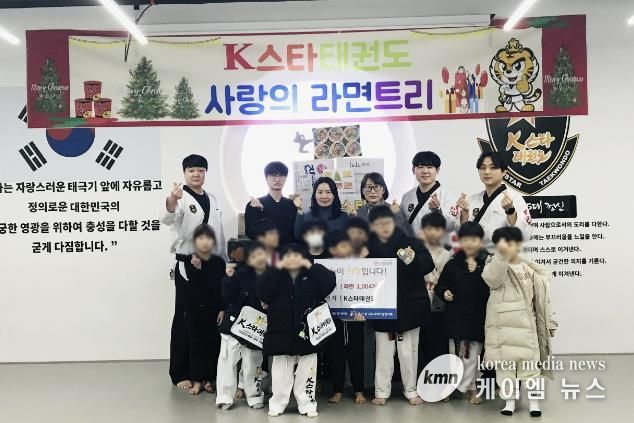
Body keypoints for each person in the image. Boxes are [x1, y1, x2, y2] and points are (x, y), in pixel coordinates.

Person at [482, 226, 556, 417]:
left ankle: (534, 403)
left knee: (530, 367)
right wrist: (501, 257)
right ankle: (509, 402)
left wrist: (549, 322)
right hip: (503, 328)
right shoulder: (494, 264)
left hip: (527, 327)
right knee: (505, 368)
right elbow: (492, 280)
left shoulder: (528, 268)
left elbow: (542, 299)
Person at [256, 243, 336, 417]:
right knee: (280, 372)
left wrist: (310, 265)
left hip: (307, 332)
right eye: (288, 256)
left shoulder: (312, 274)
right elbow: (262, 292)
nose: (292, 259)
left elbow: (330, 283)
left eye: (297, 255)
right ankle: (277, 403)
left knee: (307, 370)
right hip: (280, 331)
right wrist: (276, 269)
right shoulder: (276, 275)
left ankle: (307, 404)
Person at [366, 205, 435, 406]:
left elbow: (427, 265)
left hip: (409, 307)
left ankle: (411, 390)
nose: (384, 227)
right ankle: (381, 391)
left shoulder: (410, 242)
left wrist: (410, 258)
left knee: (408, 352)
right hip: (382, 307)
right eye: (379, 224)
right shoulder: (368, 247)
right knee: (383, 353)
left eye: (387, 222)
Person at [434, 222, 490, 404]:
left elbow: (493, 287)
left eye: (474, 239)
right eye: (466, 239)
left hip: (477, 317)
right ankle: (450, 387)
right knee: (454, 356)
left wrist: (479, 272)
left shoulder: (487, 262)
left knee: (473, 356)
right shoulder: (453, 263)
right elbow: (440, 286)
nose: (470, 244)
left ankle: (472, 388)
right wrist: (445, 293)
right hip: (455, 317)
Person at [169, 224, 225, 395]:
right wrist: (198, 268)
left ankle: (209, 379)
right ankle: (197, 380)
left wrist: (222, 309)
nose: (205, 242)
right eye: (201, 238)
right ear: (194, 241)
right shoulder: (189, 261)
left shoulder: (219, 262)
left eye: (208, 238)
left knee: (213, 344)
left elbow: (219, 287)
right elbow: (193, 288)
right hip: (195, 311)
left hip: (213, 310)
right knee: (196, 345)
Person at [216, 242, 268, 410]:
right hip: (233, 322)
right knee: (227, 360)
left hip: (256, 325)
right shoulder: (238, 273)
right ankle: (224, 396)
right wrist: (229, 279)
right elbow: (226, 297)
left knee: (253, 362)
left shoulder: (270, 275)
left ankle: (254, 395)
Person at [321, 230, 367, 405]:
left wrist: (368, 312)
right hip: (334, 319)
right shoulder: (325, 267)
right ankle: (337, 390)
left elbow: (369, 291)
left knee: (357, 355)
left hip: (356, 318)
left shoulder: (362, 266)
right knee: (335, 355)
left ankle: (359, 390)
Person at [457, 152, 532, 253]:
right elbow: (463, 237)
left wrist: (510, 211)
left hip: (502, 257)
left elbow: (525, 234)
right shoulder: (472, 200)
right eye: (483, 168)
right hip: (474, 258)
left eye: (493, 168)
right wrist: (464, 215)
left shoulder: (515, 199)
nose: (487, 172)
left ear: (504, 172)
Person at [161, 154, 227, 260]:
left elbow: (219, 234)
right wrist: (173, 199)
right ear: (184, 173)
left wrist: (224, 261)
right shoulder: (179, 197)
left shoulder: (212, 199)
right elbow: (166, 220)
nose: (196, 174)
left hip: (213, 261)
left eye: (201, 171)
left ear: (205, 172)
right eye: (191, 171)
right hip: (187, 261)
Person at [418, 212, 452, 369]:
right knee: (422, 347)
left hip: (440, 307)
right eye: (429, 228)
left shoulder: (447, 255)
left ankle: (441, 379)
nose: (433, 232)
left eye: (437, 229)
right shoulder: (416, 252)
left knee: (439, 346)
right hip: (420, 307)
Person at [401, 151, 459, 239]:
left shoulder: (449, 197)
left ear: (437, 170)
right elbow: (403, 226)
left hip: (438, 246)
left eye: (429, 167)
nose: (425, 171)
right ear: (413, 170)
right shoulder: (406, 196)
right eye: (420, 167)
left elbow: (452, 226)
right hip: (412, 246)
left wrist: (437, 211)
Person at [245, 161, 297, 246]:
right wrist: (257, 211)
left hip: (287, 252)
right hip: (264, 252)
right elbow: (250, 233)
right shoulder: (255, 204)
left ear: (286, 178)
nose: (277, 179)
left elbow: (295, 233)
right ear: (266, 178)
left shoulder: (292, 205)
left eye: (281, 175)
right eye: (273, 175)